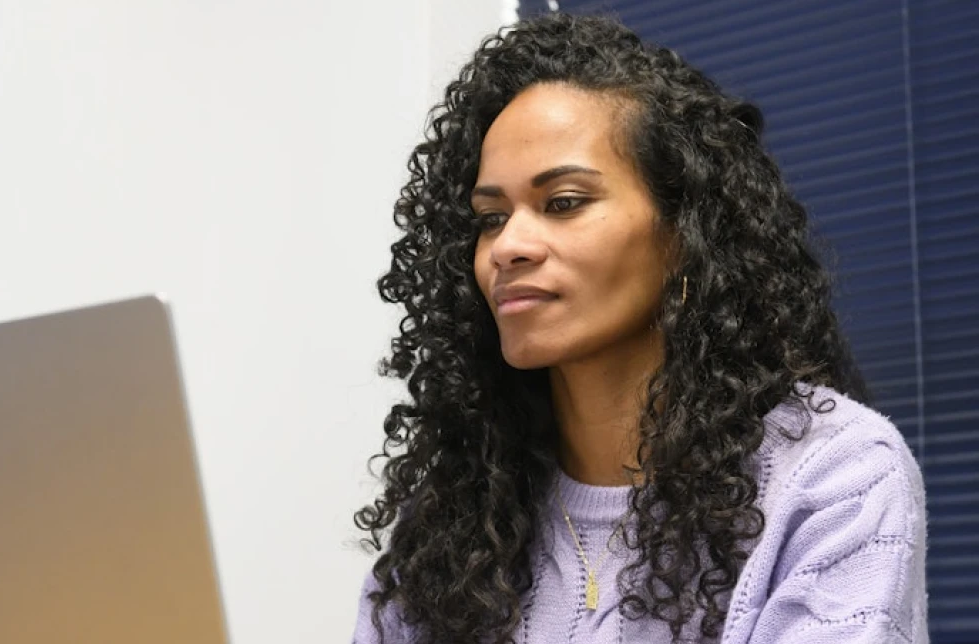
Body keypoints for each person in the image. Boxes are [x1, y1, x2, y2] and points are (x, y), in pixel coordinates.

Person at [352, 13, 927, 644]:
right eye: (490, 218)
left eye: (563, 203)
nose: (508, 246)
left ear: (685, 234)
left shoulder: (829, 478)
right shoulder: (450, 519)